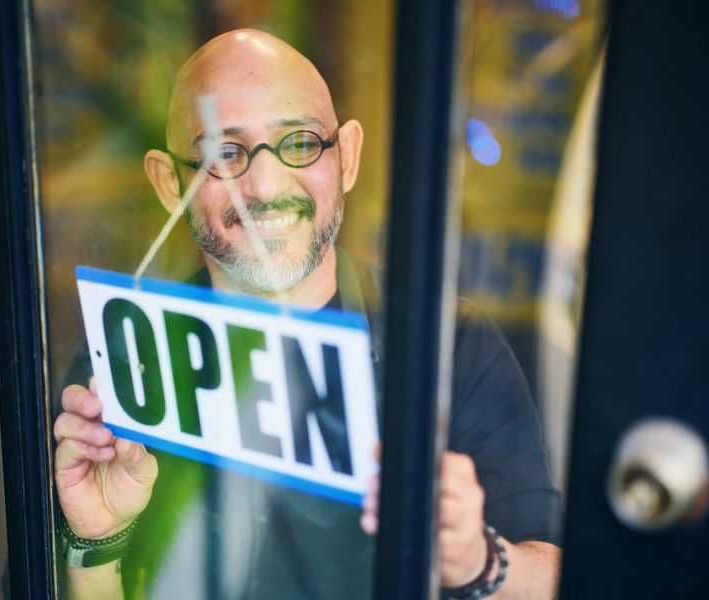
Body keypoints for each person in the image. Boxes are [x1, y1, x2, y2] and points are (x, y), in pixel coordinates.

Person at [54, 29, 561, 599]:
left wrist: (477, 558)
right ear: (170, 183)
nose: (266, 186)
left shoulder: (450, 345)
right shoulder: (122, 362)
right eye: (224, 152)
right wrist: (97, 542)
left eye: (298, 142)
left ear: (346, 157)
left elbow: (556, 577)